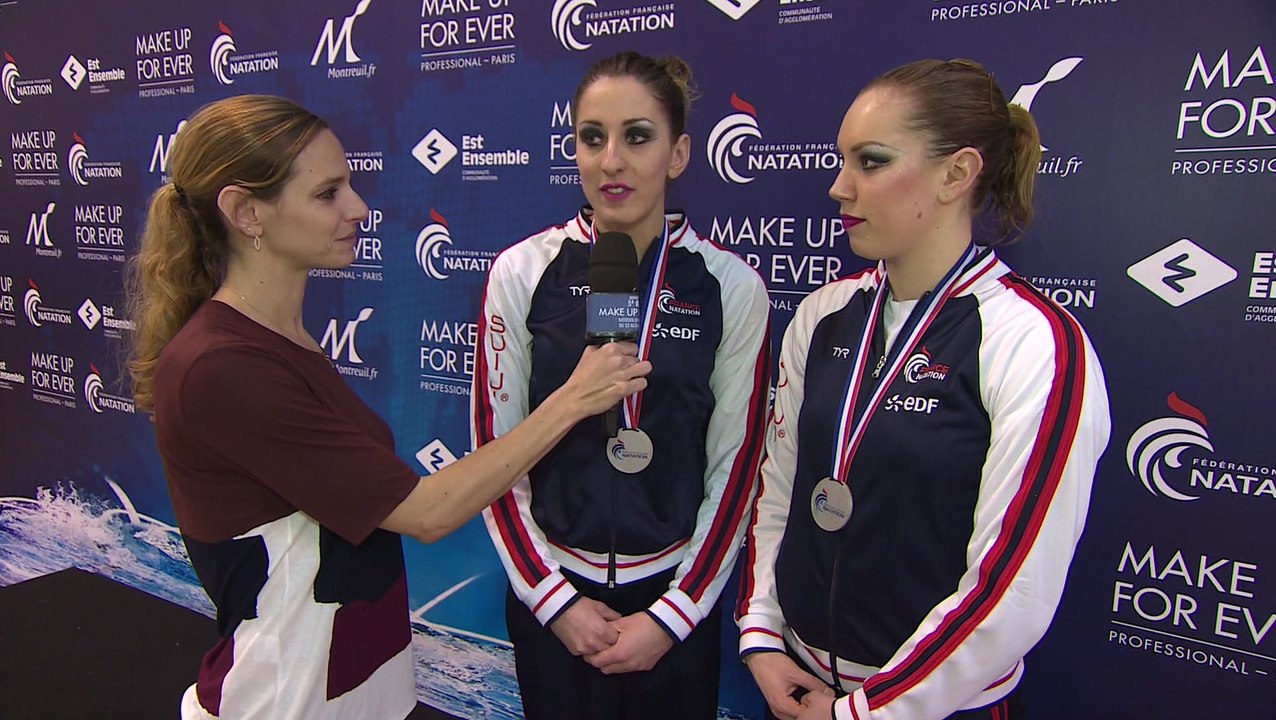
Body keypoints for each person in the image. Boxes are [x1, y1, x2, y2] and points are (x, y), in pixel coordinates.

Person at [125, 94, 650, 720]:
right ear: (245, 212)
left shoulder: (277, 339)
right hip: (288, 699)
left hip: (352, 685)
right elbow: (426, 512)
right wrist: (571, 401)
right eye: (327, 194)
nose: (358, 208)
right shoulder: (223, 367)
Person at [736, 59, 1112, 720]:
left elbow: (1012, 590)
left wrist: (865, 711)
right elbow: (778, 492)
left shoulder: (1034, 343)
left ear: (956, 174)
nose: (838, 187)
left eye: (871, 162)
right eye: (842, 160)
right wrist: (763, 634)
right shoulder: (823, 315)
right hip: (795, 686)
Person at [473, 52, 772, 720]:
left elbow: (736, 466)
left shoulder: (729, 286)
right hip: (553, 601)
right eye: (592, 137)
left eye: (637, 136)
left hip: (673, 606)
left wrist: (675, 613)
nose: (612, 161)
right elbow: (494, 456)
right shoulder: (522, 272)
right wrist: (553, 600)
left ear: (678, 153)